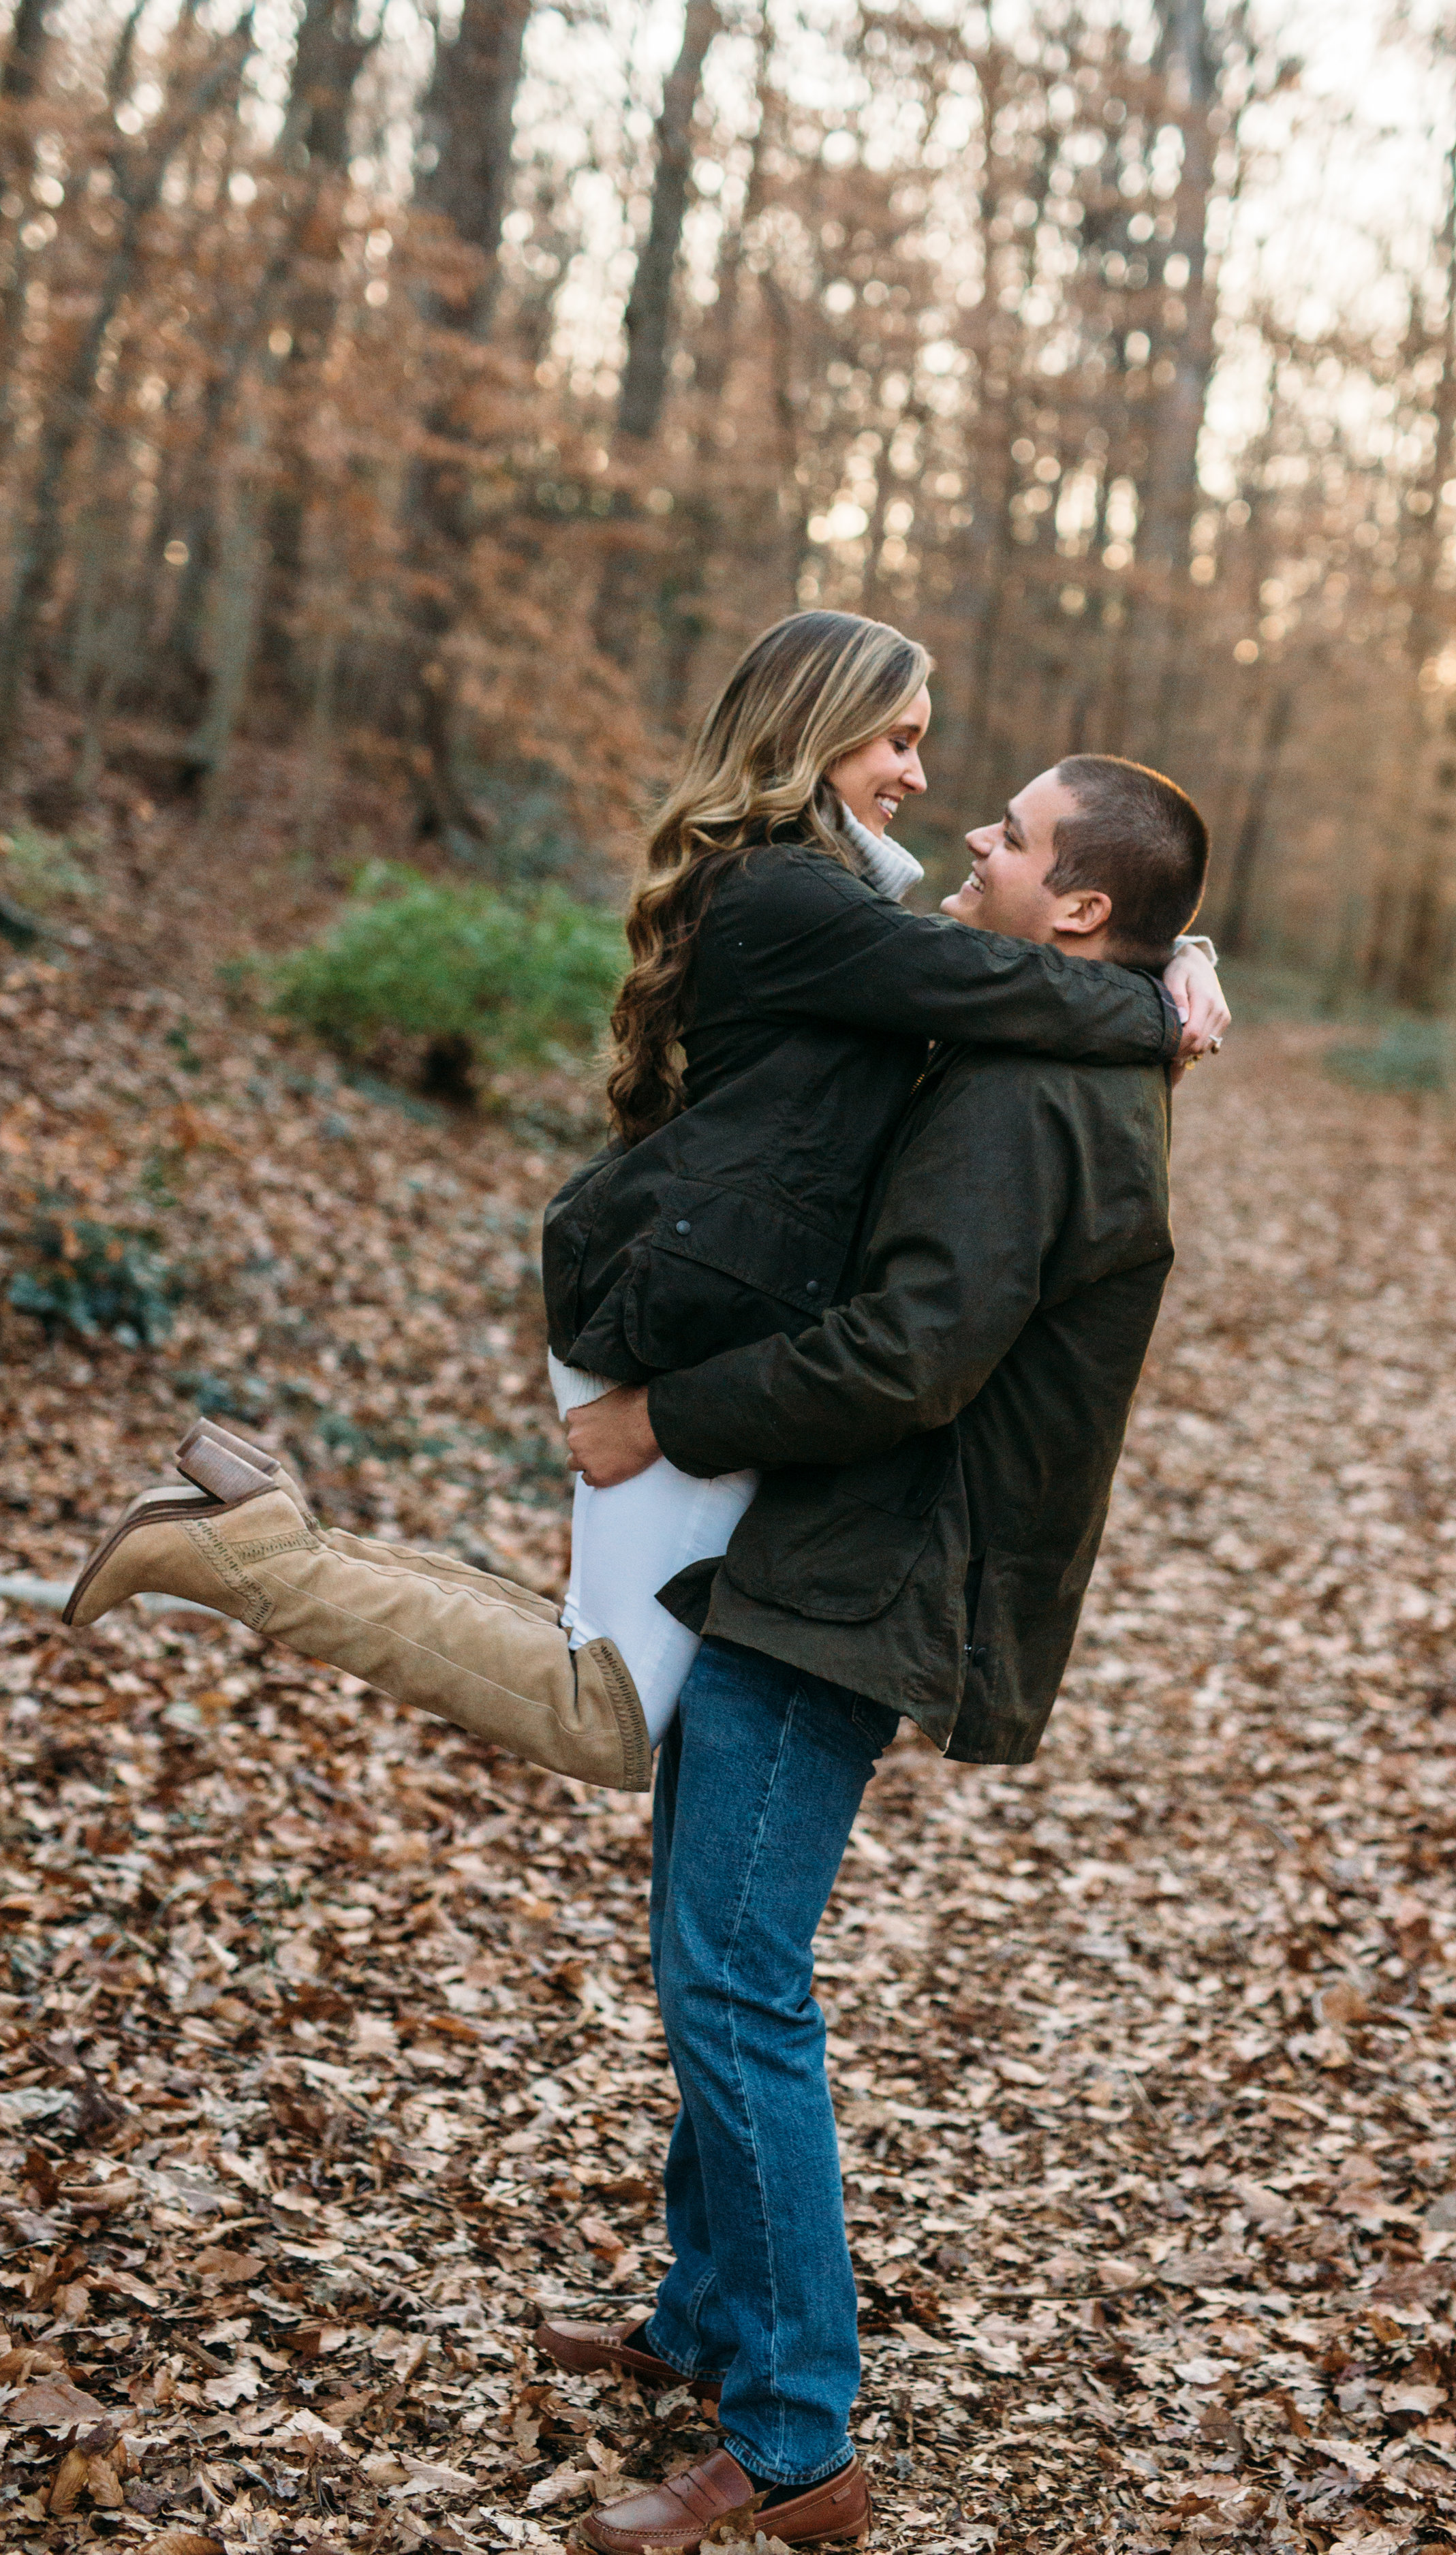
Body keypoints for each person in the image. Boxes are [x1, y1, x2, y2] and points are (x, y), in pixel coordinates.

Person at [60, 617, 1226, 1794]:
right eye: (899, 741)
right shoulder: (787, 898)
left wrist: (1181, 947)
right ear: (819, 733)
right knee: (605, 1713)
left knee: (598, 1660)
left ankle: (260, 1530)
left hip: (695, 1299)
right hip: (676, 1318)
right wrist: (1161, 997)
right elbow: (1014, 976)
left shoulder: (813, 900)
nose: (922, 779)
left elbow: (1003, 966)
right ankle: (248, 1559)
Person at [540, 750, 1201, 2554]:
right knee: (709, 1935)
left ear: (1072, 904)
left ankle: (792, 2439)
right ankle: (704, 2324)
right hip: (826, 1545)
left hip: (868, 1568)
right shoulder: (1057, 1031)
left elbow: (910, 1355)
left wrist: (661, 1415)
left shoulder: (1033, 1100)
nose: (969, 837)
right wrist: (1163, 969)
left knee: (734, 1974)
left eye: (1010, 834)